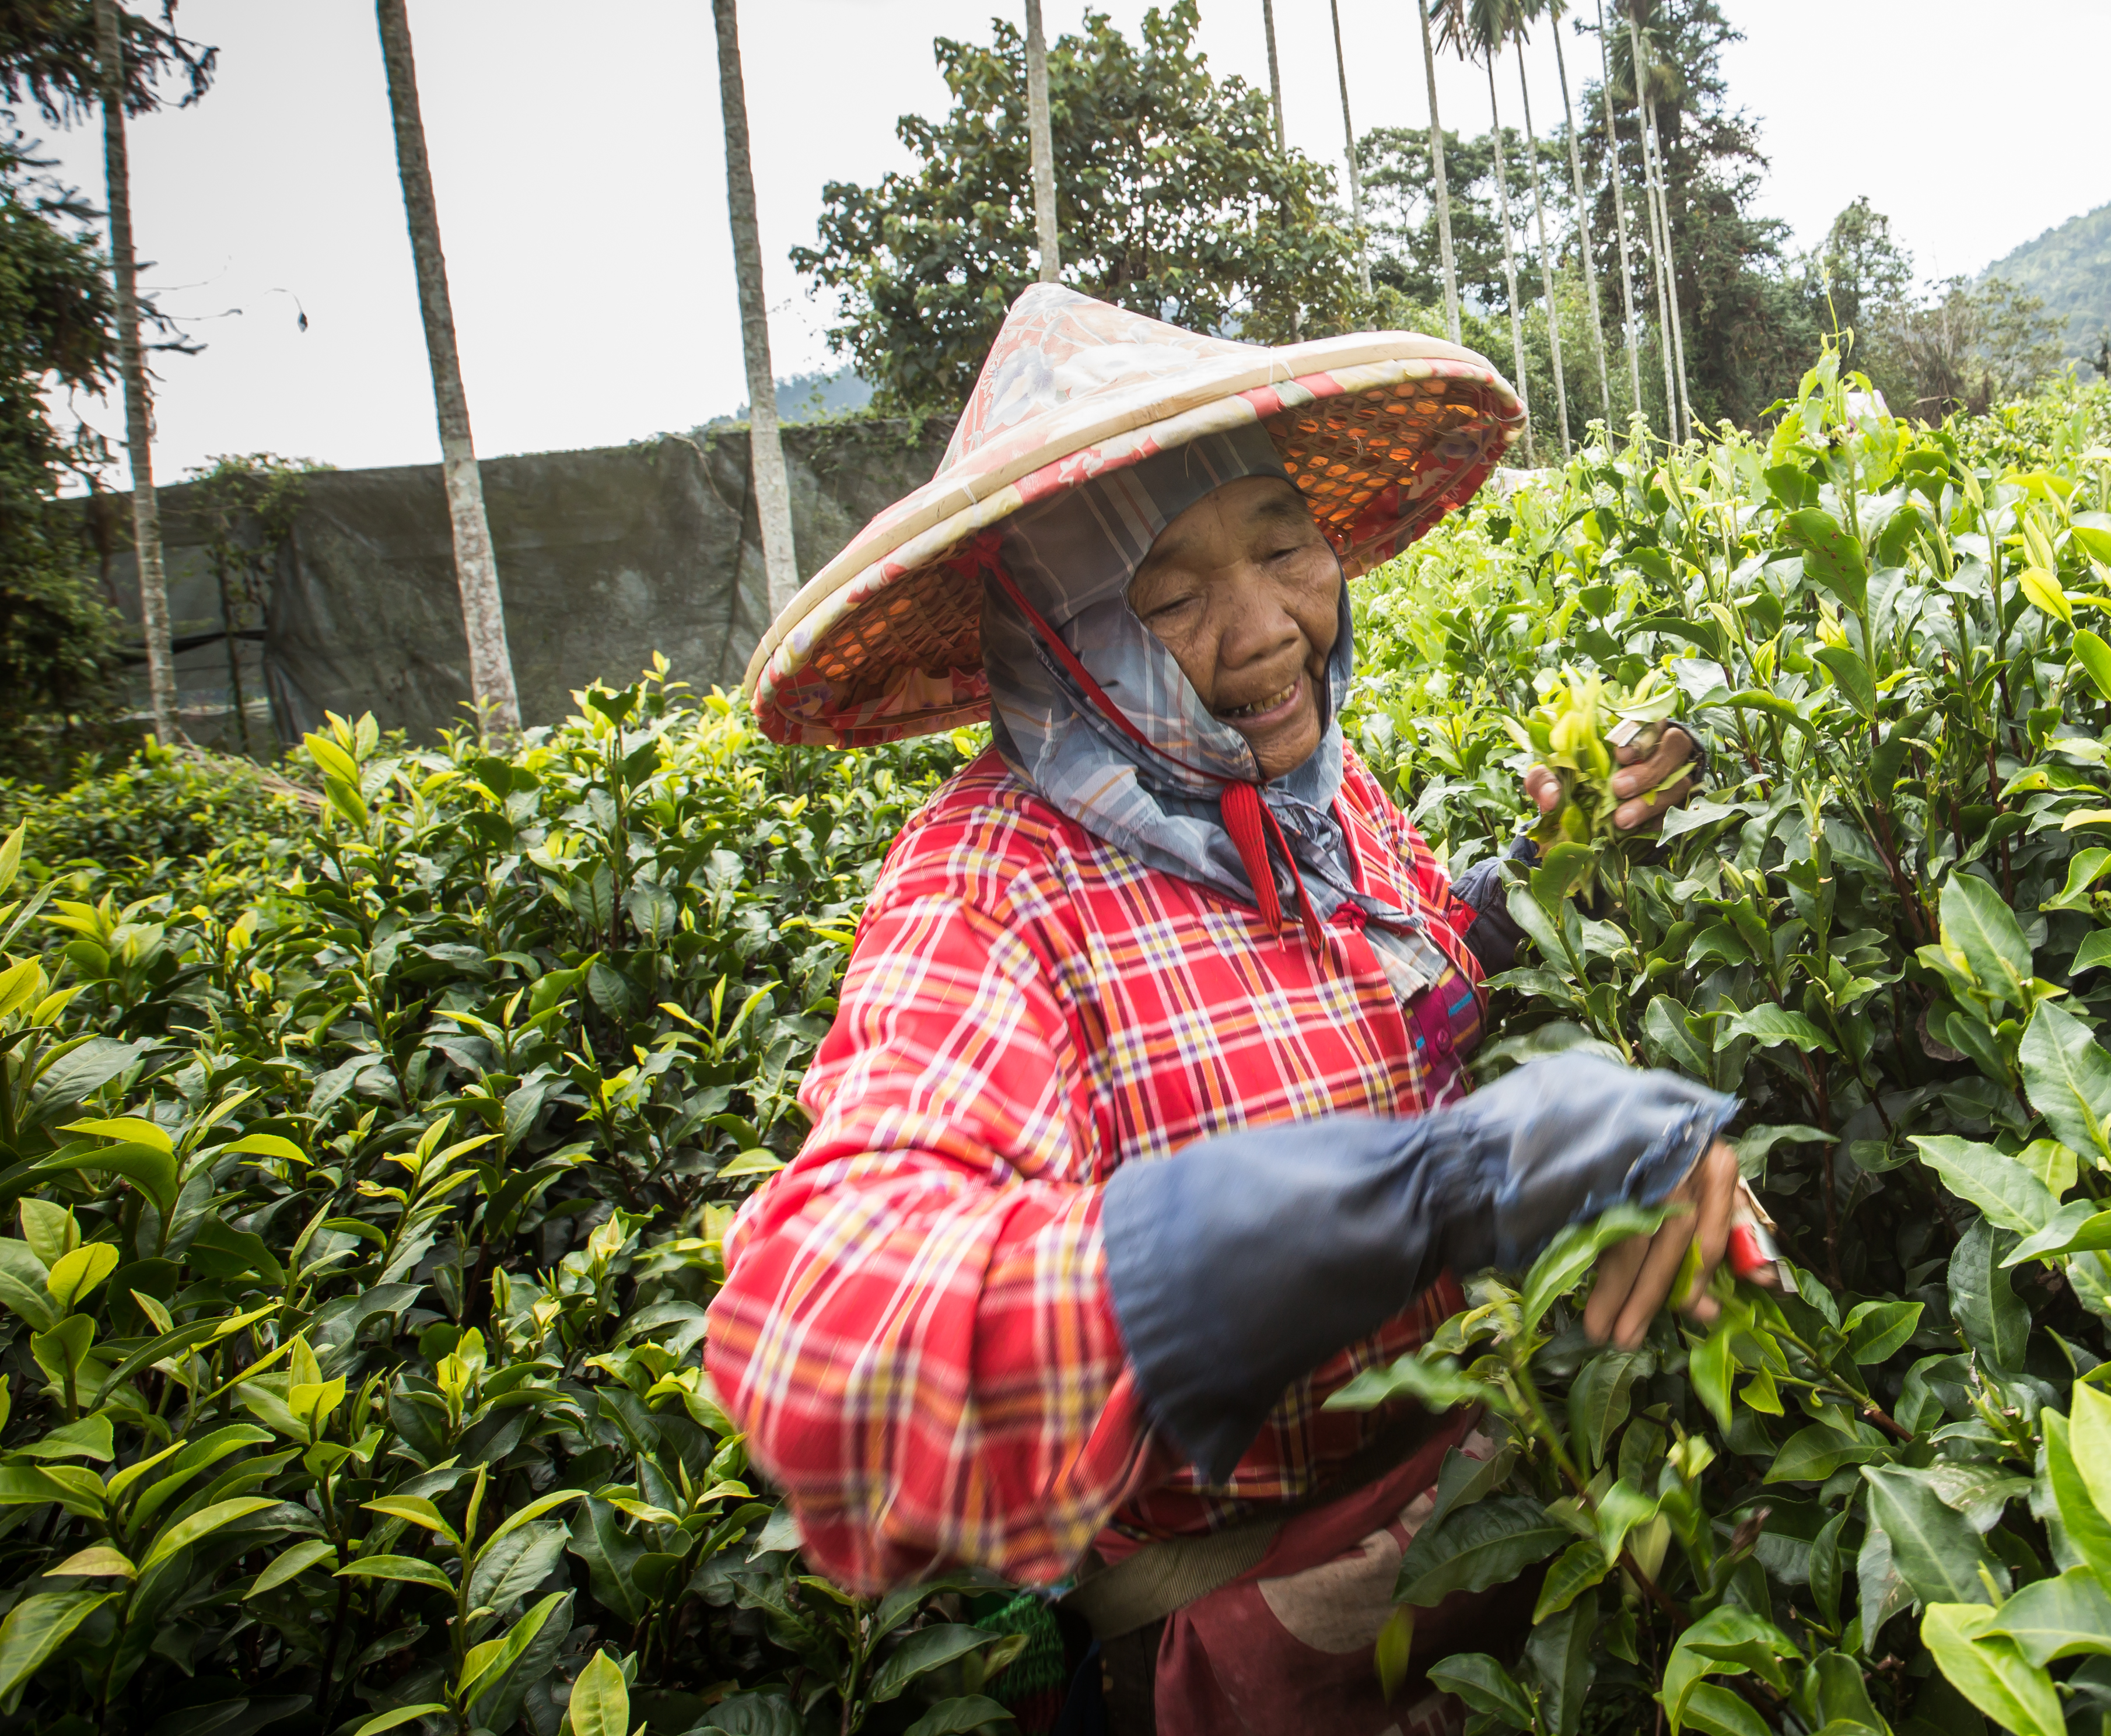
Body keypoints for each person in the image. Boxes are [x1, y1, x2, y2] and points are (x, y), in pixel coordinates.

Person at [707, 285, 1734, 1734]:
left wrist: (1562, 872)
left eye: (1281, 543)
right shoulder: (988, 888)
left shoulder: (1311, 785)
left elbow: (1407, 979)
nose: (1268, 633)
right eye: (1169, 596)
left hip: (1497, 1522)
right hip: (1265, 1629)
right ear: (1056, 638)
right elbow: (840, 1344)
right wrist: (1440, 1185)